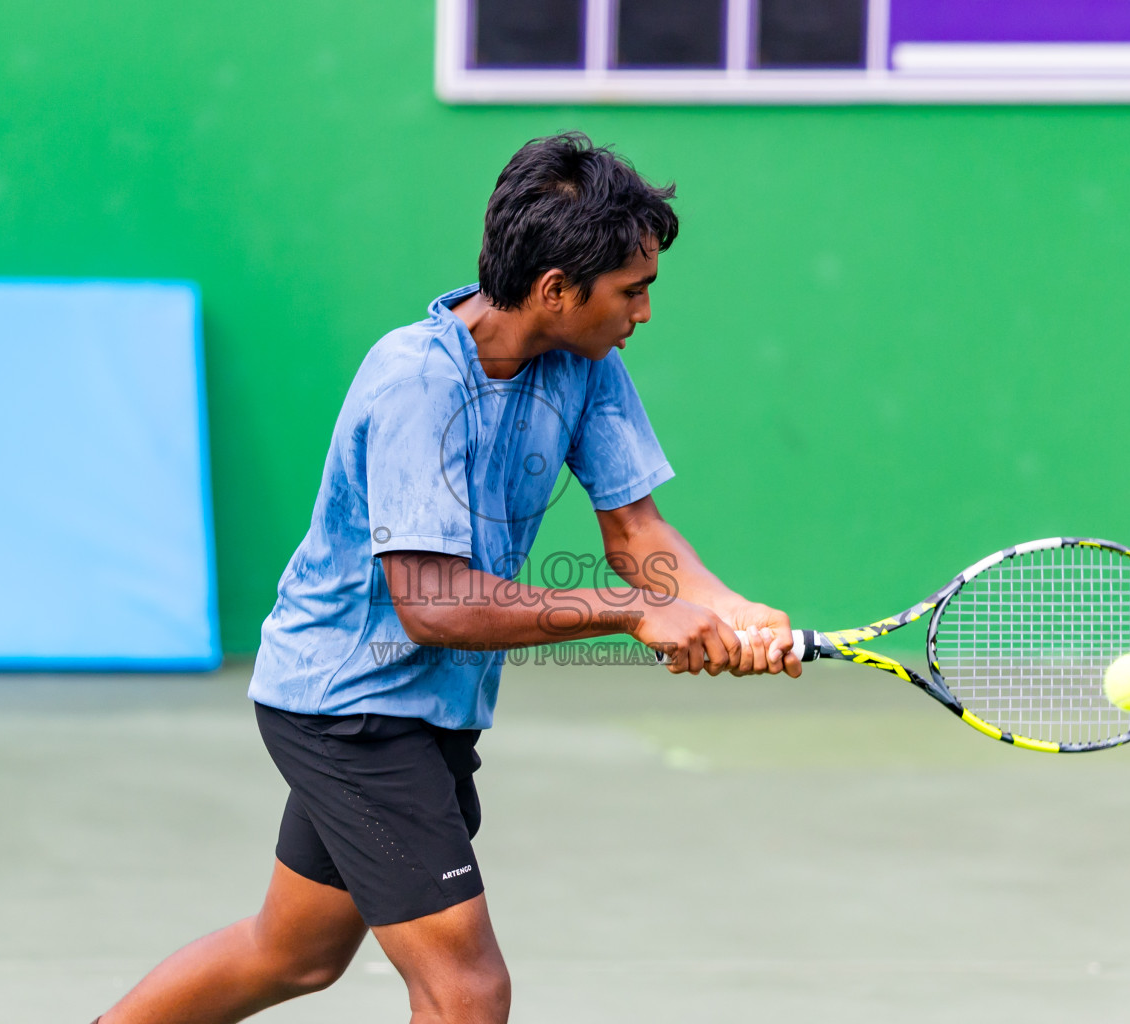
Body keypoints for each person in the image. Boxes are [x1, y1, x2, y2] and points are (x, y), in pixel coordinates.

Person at [96, 131, 802, 1024]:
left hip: (427, 710)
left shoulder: (587, 365)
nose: (645, 312)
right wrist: (631, 613)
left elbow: (638, 531)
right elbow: (432, 604)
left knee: (294, 953)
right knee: (467, 989)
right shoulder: (414, 383)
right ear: (556, 291)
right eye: (634, 290)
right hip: (348, 708)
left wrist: (732, 613)